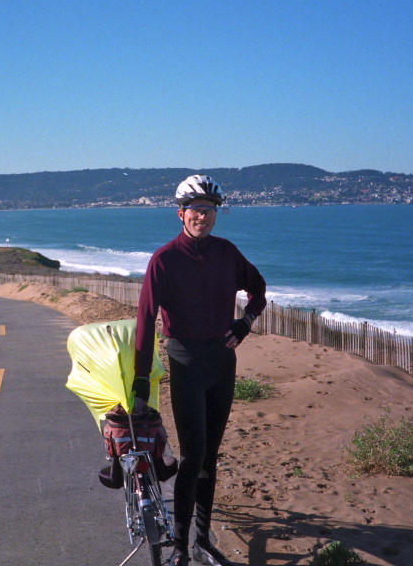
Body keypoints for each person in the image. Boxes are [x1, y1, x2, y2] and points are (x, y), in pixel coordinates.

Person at [132, 174, 267, 566]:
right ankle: (179, 546)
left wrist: (244, 324)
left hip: (222, 363)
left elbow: (258, 290)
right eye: (195, 210)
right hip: (186, 363)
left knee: (210, 457)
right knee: (192, 458)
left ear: (215, 215)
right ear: (181, 214)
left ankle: (202, 542)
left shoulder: (226, 253)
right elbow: (145, 321)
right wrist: (141, 380)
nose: (202, 218)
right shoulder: (164, 260)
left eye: (209, 211)